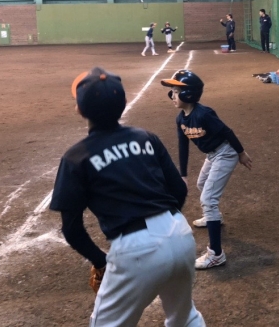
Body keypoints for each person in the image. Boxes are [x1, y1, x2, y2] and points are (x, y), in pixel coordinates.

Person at [50, 67, 205, 327]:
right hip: (179, 234)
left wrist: (101, 261)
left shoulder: (76, 157)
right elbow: (179, 190)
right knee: (185, 318)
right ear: (123, 104)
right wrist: (165, 231)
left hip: (136, 249)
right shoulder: (147, 138)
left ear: (80, 110)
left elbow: (72, 228)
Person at [161, 70, 252, 269]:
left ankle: (216, 254)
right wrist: (183, 175)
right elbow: (183, 145)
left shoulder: (204, 114)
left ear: (189, 94)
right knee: (201, 184)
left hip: (225, 153)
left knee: (208, 199)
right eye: (172, 92)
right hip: (212, 154)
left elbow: (227, 132)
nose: (172, 96)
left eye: (176, 92)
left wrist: (241, 153)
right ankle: (214, 216)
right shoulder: (181, 119)